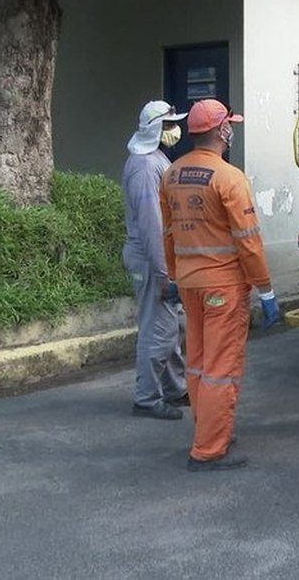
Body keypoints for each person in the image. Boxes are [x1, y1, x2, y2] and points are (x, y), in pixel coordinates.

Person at [160, 99, 282, 472]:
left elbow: (168, 233)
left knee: (197, 364)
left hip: (191, 283)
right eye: (229, 125)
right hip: (224, 287)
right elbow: (249, 241)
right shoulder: (230, 178)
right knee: (220, 368)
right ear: (221, 131)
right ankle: (210, 449)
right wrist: (266, 290)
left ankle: (208, 432)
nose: (231, 130)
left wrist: (175, 275)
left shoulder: (172, 174)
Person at [123, 100, 190, 421]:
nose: (174, 130)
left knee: (172, 324)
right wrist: (164, 272)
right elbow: (152, 226)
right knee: (159, 329)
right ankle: (147, 399)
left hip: (157, 258)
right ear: (155, 130)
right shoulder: (147, 168)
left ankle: (175, 389)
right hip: (151, 260)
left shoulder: (153, 159)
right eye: (168, 125)